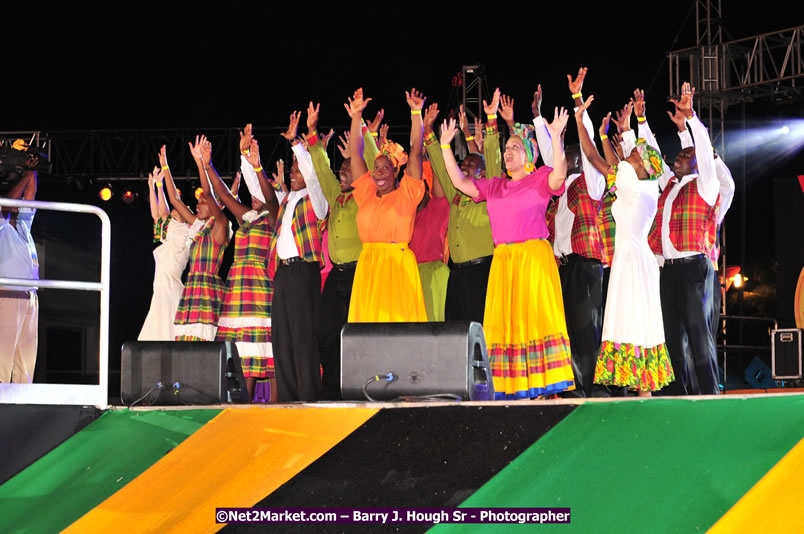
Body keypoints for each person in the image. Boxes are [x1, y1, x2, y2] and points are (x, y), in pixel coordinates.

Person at [438, 103, 575, 399]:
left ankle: (543, 387)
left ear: (529, 154)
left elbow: (560, 174)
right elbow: (460, 182)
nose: (508, 151)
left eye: (515, 146)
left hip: (532, 259)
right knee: (508, 323)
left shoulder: (540, 178)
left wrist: (557, 138)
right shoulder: (495, 186)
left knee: (534, 320)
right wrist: (446, 147)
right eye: (507, 147)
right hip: (503, 262)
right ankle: (510, 385)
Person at [574, 92, 674, 396]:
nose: (626, 155)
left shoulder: (632, 181)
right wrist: (618, 131)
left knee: (631, 315)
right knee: (636, 316)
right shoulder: (644, 187)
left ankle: (643, 387)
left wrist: (580, 118)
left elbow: (593, 157)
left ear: (641, 166)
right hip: (633, 257)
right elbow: (618, 155)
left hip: (631, 258)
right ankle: (643, 385)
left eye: (632, 156)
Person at [532, 69, 607, 397]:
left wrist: (579, 110)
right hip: (563, 263)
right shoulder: (560, 186)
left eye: (575, 154)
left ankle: (593, 387)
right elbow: (552, 157)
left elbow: (590, 153)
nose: (570, 157)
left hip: (587, 263)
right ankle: (574, 386)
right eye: (569, 154)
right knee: (567, 330)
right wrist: (537, 117)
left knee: (585, 329)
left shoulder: (593, 182)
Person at [647, 83, 722, 396]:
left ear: (694, 163)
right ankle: (678, 393)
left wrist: (692, 120)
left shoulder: (705, 184)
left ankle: (710, 393)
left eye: (681, 156)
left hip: (693, 267)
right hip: (670, 270)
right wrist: (638, 125)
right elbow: (652, 157)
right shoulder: (671, 186)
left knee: (698, 333)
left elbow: (704, 152)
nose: (674, 159)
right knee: (671, 335)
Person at [207, 127, 281, 401]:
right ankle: (243, 406)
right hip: (238, 289)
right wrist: (207, 164)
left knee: (266, 347)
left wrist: (253, 163)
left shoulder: (274, 215)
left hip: (261, 287)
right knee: (243, 351)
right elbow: (225, 196)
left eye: (256, 191)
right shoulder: (247, 216)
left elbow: (270, 197)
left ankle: (277, 405)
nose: (252, 195)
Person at [345, 87, 427, 323]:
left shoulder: (407, 193)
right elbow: (355, 156)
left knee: (397, 327)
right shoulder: (367, 192)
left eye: (385, 168)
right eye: (376, 168)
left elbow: (415, 151)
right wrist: (356, 116)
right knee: (368, 328)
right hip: (369, 267)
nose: (378, 172)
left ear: (395, 171)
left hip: (397, 267)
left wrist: (416, 114)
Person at [266, 102, 329, 402]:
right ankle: (288, 399)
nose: (293, 175)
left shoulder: (316, 198)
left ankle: (308, 398)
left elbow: (313, 175)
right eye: (291, 171)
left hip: (304, 270)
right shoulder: (288, 199)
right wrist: (247, 161)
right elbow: (259, 190)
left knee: (303, 338)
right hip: (283, 272)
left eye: (296, 171)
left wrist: (296, 145)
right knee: (282, 338)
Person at [162, 142, 230, 343]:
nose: (197, 205)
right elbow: (175, 200)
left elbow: (209, 194)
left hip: (208, 289)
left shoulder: (220, 226)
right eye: (198, 201)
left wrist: (201, 163)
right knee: (187, 341)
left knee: (206, 341)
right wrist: (166, 166)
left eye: (202, 202)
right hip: (192, 288)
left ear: (215, 206)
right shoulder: (198, 226)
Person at [137, 156, 191, 341]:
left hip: (171, 291)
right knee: (155, 335)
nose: (170, 219)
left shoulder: (183, 233)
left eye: (175, 217)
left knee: (169, 334)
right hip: (160, 289)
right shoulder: (172, 233)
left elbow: (163, 214)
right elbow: (157, 216)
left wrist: (159, 187)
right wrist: (153, 187)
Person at [0, 154, 39, 383]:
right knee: (5, 346)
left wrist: (32, 172)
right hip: (8, 291)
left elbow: (31, 195)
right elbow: (8, 201)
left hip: (29, 292)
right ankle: (1, 393)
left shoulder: (24, 224)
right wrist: (25, 173)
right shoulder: (2, 224)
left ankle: (24, 395)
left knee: (26, 349)